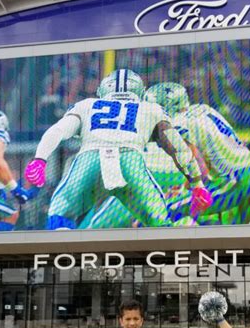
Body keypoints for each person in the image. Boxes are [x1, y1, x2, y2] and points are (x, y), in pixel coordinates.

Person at [24, 69, 212, 229]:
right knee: (160, 222)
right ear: (140, 91)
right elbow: (179, 149)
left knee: (60, 212)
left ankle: (60, 265)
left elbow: (57, 130)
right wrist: (197, 185)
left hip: (89, 160)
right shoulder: (150, 108)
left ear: (103, 89)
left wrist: (40, 159)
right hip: (131, 163)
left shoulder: (87, 105)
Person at [144, 81, 250, 225]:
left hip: (237, 180)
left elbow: (200, 168)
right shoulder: (204, 109)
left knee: (167, 209)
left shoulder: (177, 124)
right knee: (242, 234)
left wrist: (183, 189)